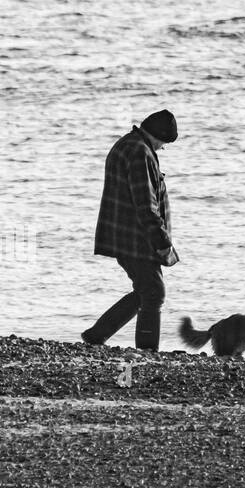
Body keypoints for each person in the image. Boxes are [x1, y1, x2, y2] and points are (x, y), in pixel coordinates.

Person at [83, 109, 180, 350]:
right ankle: (147, 350)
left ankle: (96, 335)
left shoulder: (128, 144)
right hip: (135, 237)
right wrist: (161, 241)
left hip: (123, 233)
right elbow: (146, 205)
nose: (162, 149)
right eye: (164, 144)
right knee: (154, 293)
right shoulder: (140, 152)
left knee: (146, 290)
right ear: (157, 136)